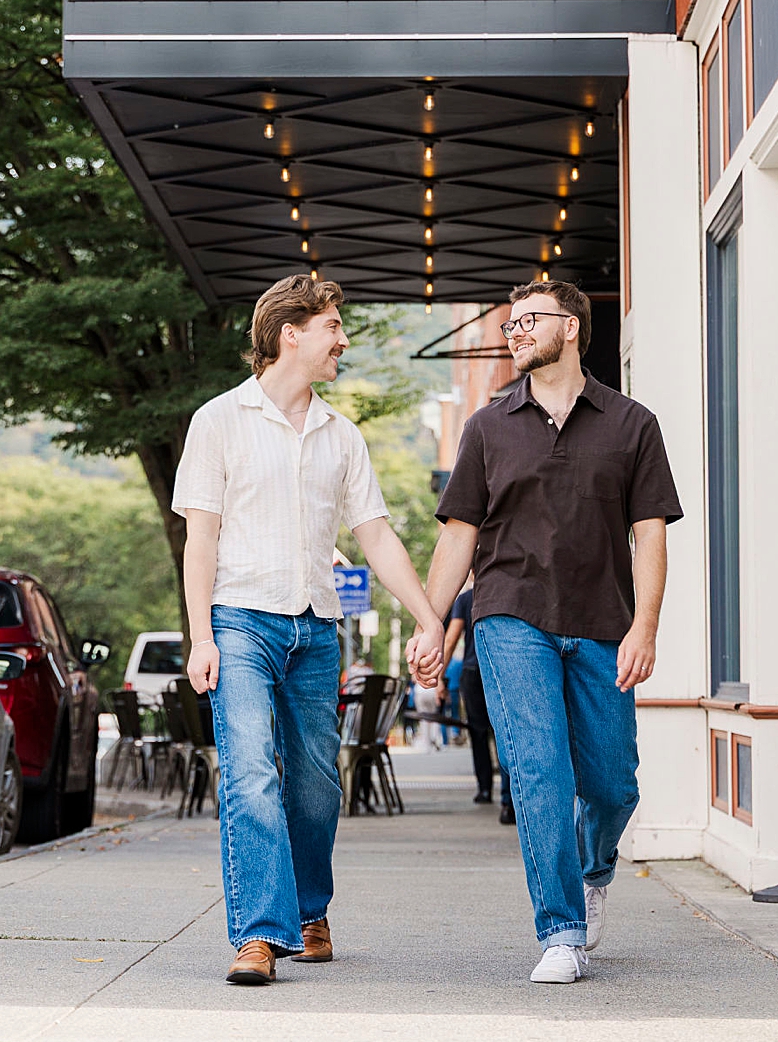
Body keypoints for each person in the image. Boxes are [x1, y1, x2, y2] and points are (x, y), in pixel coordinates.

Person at [173, 274, 445, 986]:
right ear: (290, 333)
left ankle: (309, 906)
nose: (343, 341)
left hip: (316, 630)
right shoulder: (218, 421)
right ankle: (261, 933)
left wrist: (428, 616)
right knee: (252, 774)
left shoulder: (340, 436)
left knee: (319, 786)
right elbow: (199, 540)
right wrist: (201, 635)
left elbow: (377, 537)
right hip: (239, 619)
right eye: (332, 327)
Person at [424, 279, 681, 983]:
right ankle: (560, 931)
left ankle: (594, 868)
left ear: (571, 327)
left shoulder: (632, 423)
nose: (514, 331)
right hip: (509, 615)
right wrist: (429, 620)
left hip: (602, 622)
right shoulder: (487, 426)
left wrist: (646, 627)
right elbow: (458, 538)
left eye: (528, 320)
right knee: (539, 771)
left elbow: (650, 536)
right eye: (510, 323)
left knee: (611, 783)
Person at [441, 582, 512, 820]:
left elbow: (451, 638)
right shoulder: (504, 591)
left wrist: (439, 675)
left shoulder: (465, 599)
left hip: (473, 672)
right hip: (502, 669)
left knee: (478, 733)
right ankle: (508, 800)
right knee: (506, 733)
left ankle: (484, 789)